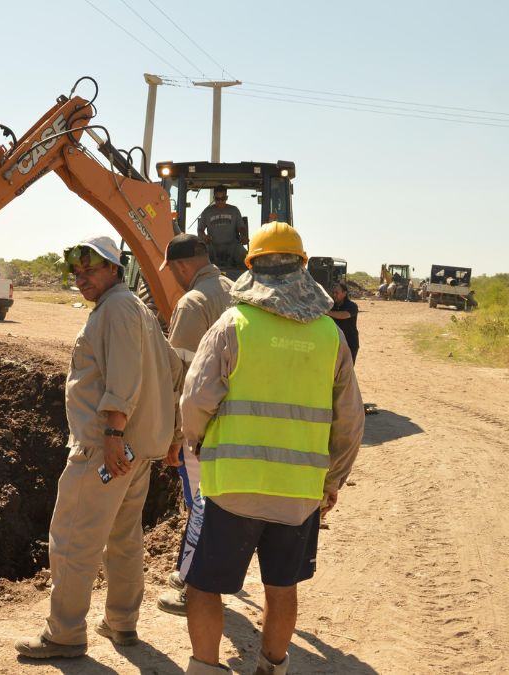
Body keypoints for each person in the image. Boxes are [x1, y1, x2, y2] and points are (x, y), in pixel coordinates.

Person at [177, 223, 364, 675]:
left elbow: (195, 401)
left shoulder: (233, 324)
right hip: (299, 495)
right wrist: (332, 480)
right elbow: (350, 421)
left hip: (233, 488)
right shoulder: (329, 336)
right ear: (302, 266)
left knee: (204, 587)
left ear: (251, 267)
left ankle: (205, 668)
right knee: (281, 589)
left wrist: (196, 445)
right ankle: (272, 668)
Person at [15, 235, 180, 659]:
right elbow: (170, 371)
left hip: (104, 452)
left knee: (73, 539)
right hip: (136, 452)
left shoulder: (117, 310)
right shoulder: (136, 309)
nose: (82, 279)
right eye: (77, 272)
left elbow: (123, 378)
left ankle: (65, 633)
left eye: (91, 270)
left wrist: (112, 435)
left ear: (114, 268)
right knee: (124, 538)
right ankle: (121, 623)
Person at [154, 233, 233, 617]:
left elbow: (180, 377)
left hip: (200, 427)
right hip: (234, 423)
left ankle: (190, 586)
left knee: (199, 506)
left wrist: (173, 435)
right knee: (216, 505)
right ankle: (201, 576)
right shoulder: (236, 291)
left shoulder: (193, 303)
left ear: (182, 266)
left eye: (170, 270)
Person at [195, 186, 247, 270]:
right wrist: (204, 237)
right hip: (212, 247)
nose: (220, 201)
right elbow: (200, 229)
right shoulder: (207, 212)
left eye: (223, 198)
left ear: (226, 197)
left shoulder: (234, 210)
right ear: (214, 198)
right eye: (217, 199)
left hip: (232, 246)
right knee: (199, 260)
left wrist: (243, 236)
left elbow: (241, 227)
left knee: (246, 258)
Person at [326, 281, 360, 363]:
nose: (334, 295)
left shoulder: (352, 306)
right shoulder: (331, 306)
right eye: (333, 293)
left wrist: (327, 312)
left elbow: (344, 315)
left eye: (337, 293)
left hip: (350, 342)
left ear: (344, 293)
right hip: (334, 342)